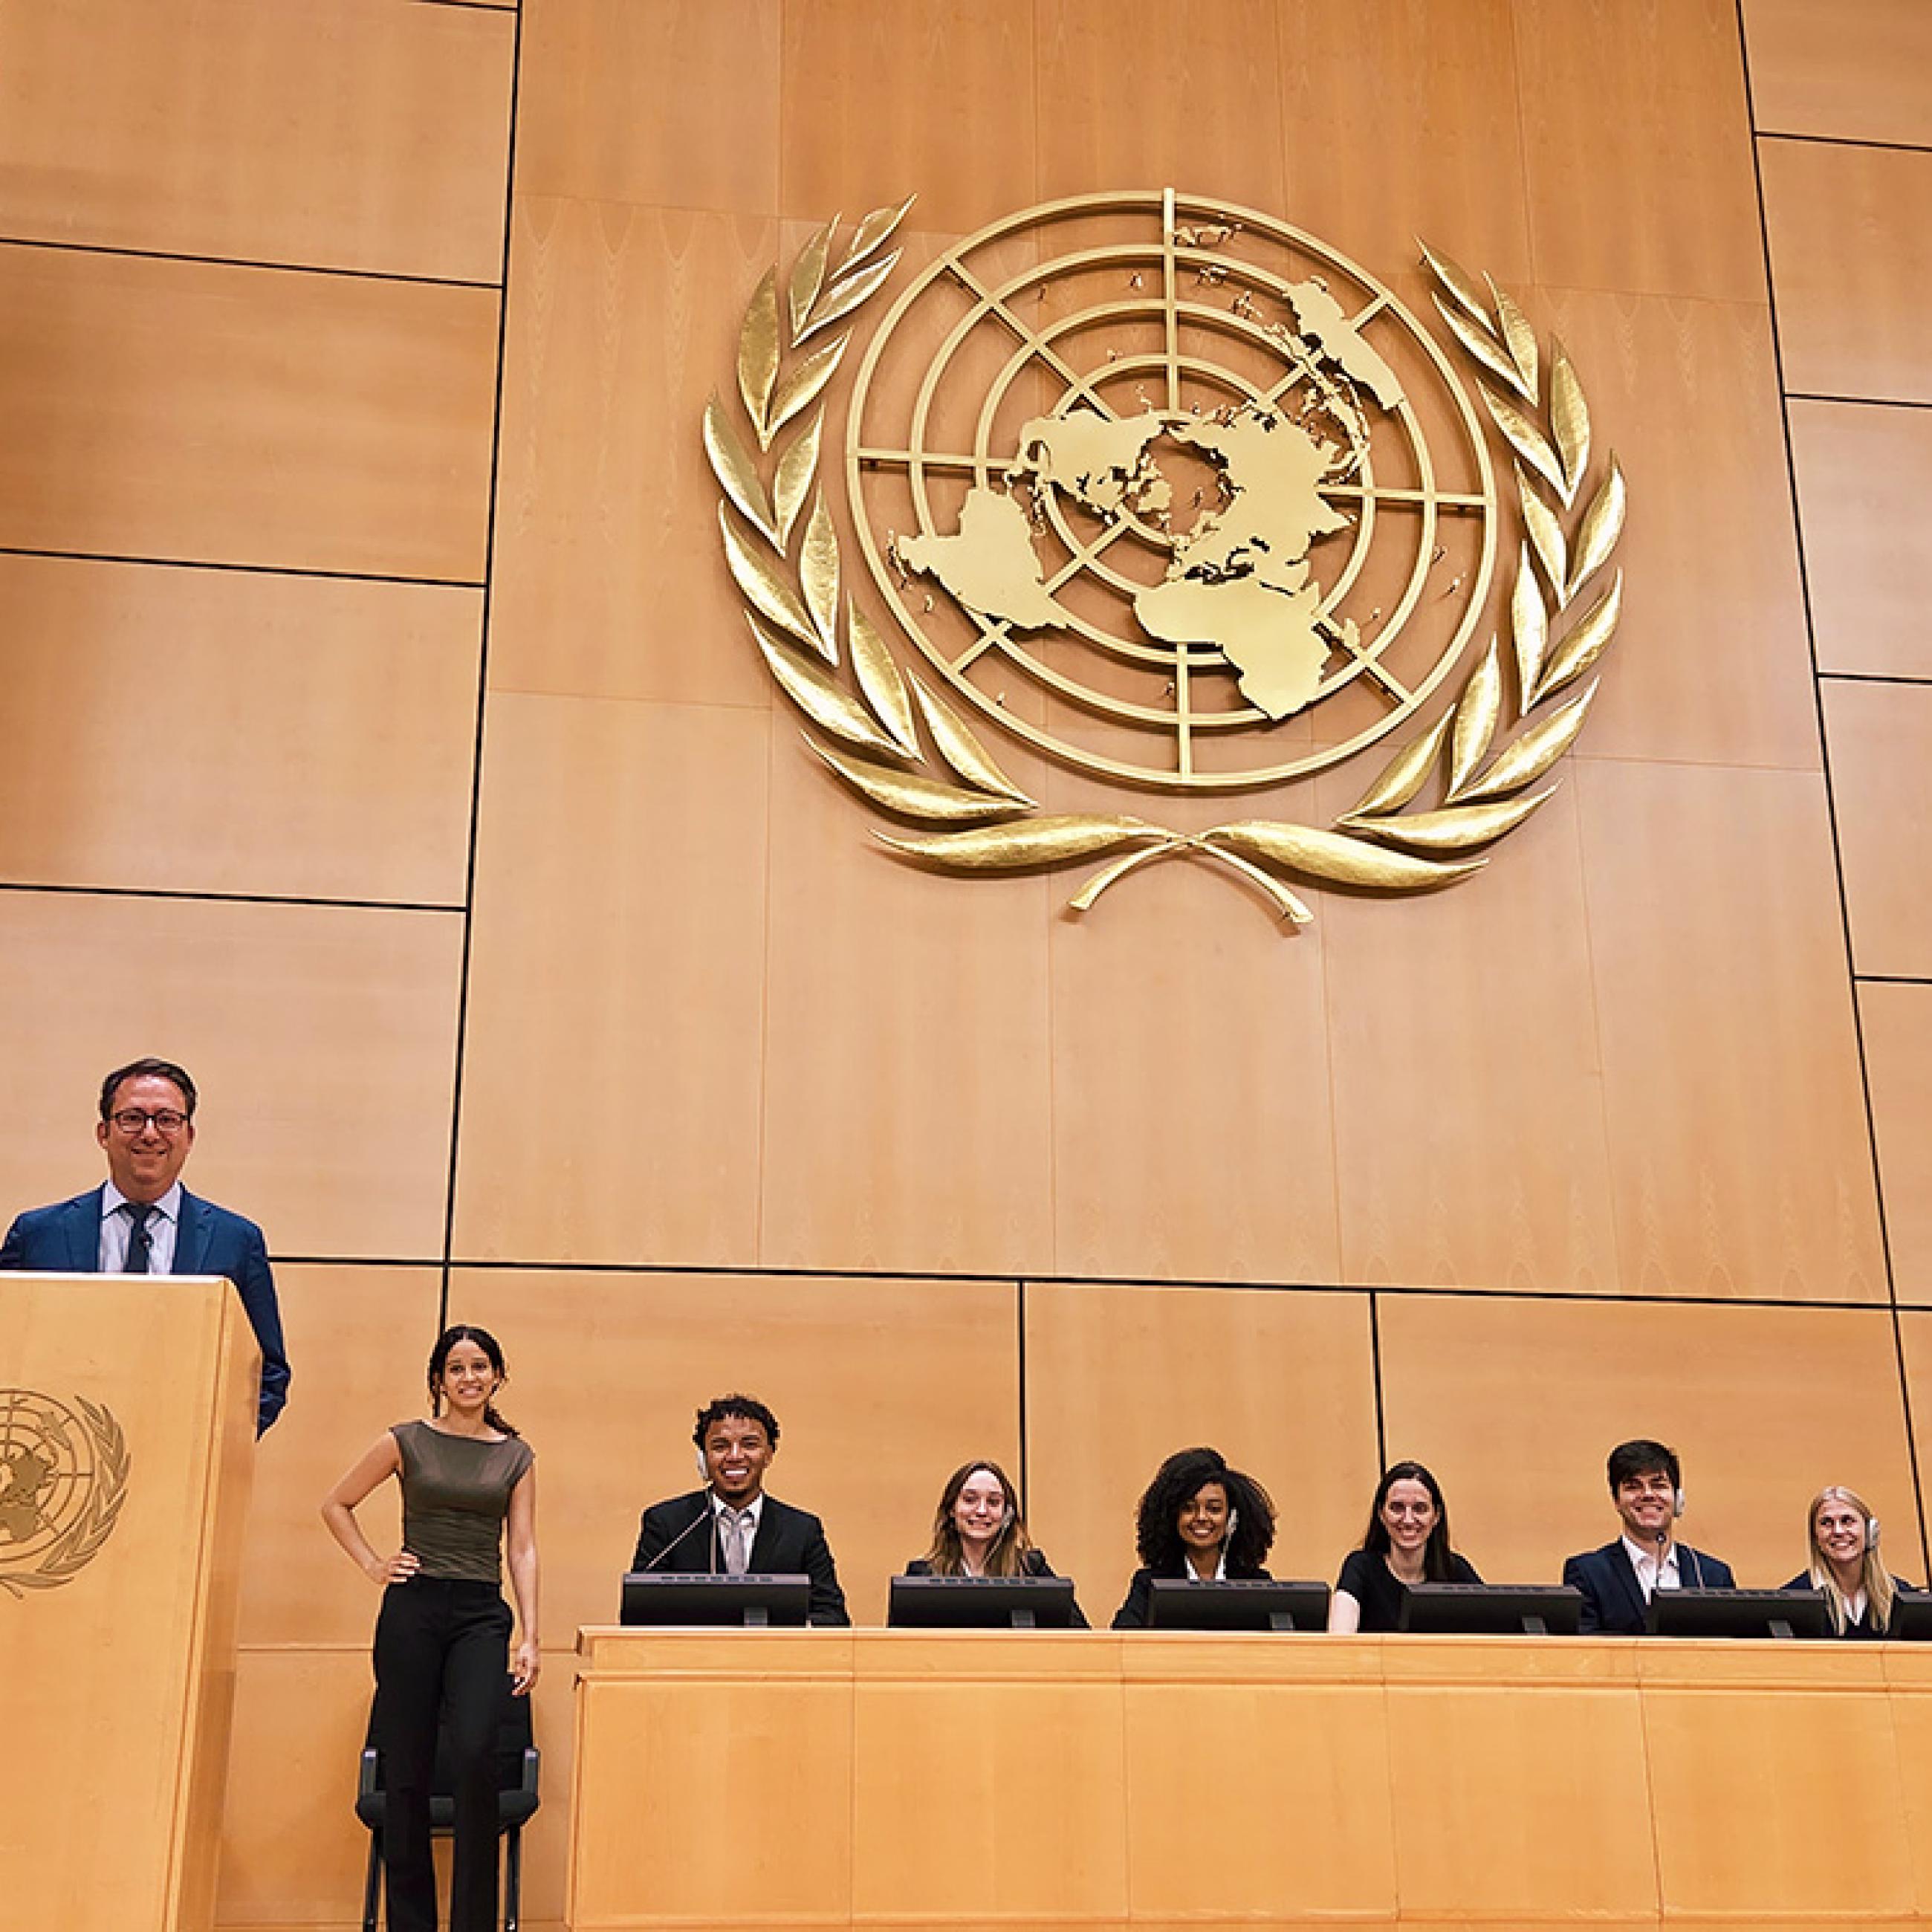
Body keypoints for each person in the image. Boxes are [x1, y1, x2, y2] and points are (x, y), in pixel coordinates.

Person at [322, 1325, 539, 1932]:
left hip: (480, 1613)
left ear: (497, 1375)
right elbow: (336, 1503)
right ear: (438, 1380)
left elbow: (521, 1549)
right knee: (408, 1768)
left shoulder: (515, 1455)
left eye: (480, 1367)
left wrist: (530, 1634)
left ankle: (474, 1923)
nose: (469, 1378)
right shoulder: (406, 1441)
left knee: (474, 1753)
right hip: (413, 1610)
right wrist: (373, 1564)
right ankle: (411, 1923)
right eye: (456, 1368)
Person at [0, 1057, 288, 1433]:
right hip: (65, 1460)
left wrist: (219, 1449)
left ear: (189, 1136)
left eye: (167, 1120)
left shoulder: (235, 1239)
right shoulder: (38, 1233)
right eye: (133, 1118)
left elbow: (267, 1372)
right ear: (103, 1133)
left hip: (184, 1458)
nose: (150, 1134)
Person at [629, 1393, 849, 1626]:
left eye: (749, 1444)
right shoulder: (668, 1524)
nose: (735, 1456)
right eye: (720, 1446)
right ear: (703, 1458)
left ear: (769, 1454)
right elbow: (637, 1613)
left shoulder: (802, 1530)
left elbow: (833, 1618)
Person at [1561, 1438, 1735, 1635]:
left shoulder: (1713, 1576)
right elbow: (1583, 1652)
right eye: (1633, 1486)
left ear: (1678, 1498)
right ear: (1616, 1501)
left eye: (1658, 1485)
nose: (1648, 1495)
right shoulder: (1588, 1573)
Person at [903, 1456, 1089, 1625]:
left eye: (993, 1502)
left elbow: (1080, 1636)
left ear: (1007, 1514)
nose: (982, 1511)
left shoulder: (1031, 1568)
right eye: (970, 1500)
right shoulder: (923, 1574)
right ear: (952, 1509)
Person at [1111, 1445, 1276, 1629]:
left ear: (1233, 1518)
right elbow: (1123, 1639)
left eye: (1214, 1509)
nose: (1201, 1518)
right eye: (1188, 1508)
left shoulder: (1256, 1583)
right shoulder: (1149, 1583)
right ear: (1171, 1516)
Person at [1328, 1459, 1482, 1633]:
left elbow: (1495, 1629)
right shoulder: (1360, 1567)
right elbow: (1339, 1638)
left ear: (1436, 1516)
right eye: (1397, 1508)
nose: (1408, 1520)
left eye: (1420, 1509)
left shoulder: (1456, 1570)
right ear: (1381, 1514)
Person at [1784, 1486, 1905, 1638]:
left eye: (1847, 1521)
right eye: (1827, 1523)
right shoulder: (1793, 1601)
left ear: (1871, 1532)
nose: (1838, 1531)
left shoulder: (1902, 1597)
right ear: (1816, 1537)